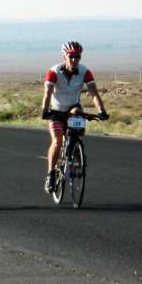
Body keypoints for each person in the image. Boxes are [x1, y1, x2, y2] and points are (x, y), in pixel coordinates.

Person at [41, 41, 109, 193]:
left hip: (73, 108)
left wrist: (102, 111)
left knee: (77, 120)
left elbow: (94, 93)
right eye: (71, 56)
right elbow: (48, 93)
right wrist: (45, 110)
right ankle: (51, 174)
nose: (74, 60)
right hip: (56, 111)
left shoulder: (85, 72)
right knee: (57, 141)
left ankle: (74, 155)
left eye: (77, 56)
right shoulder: (53, 71)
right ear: (64, 56)